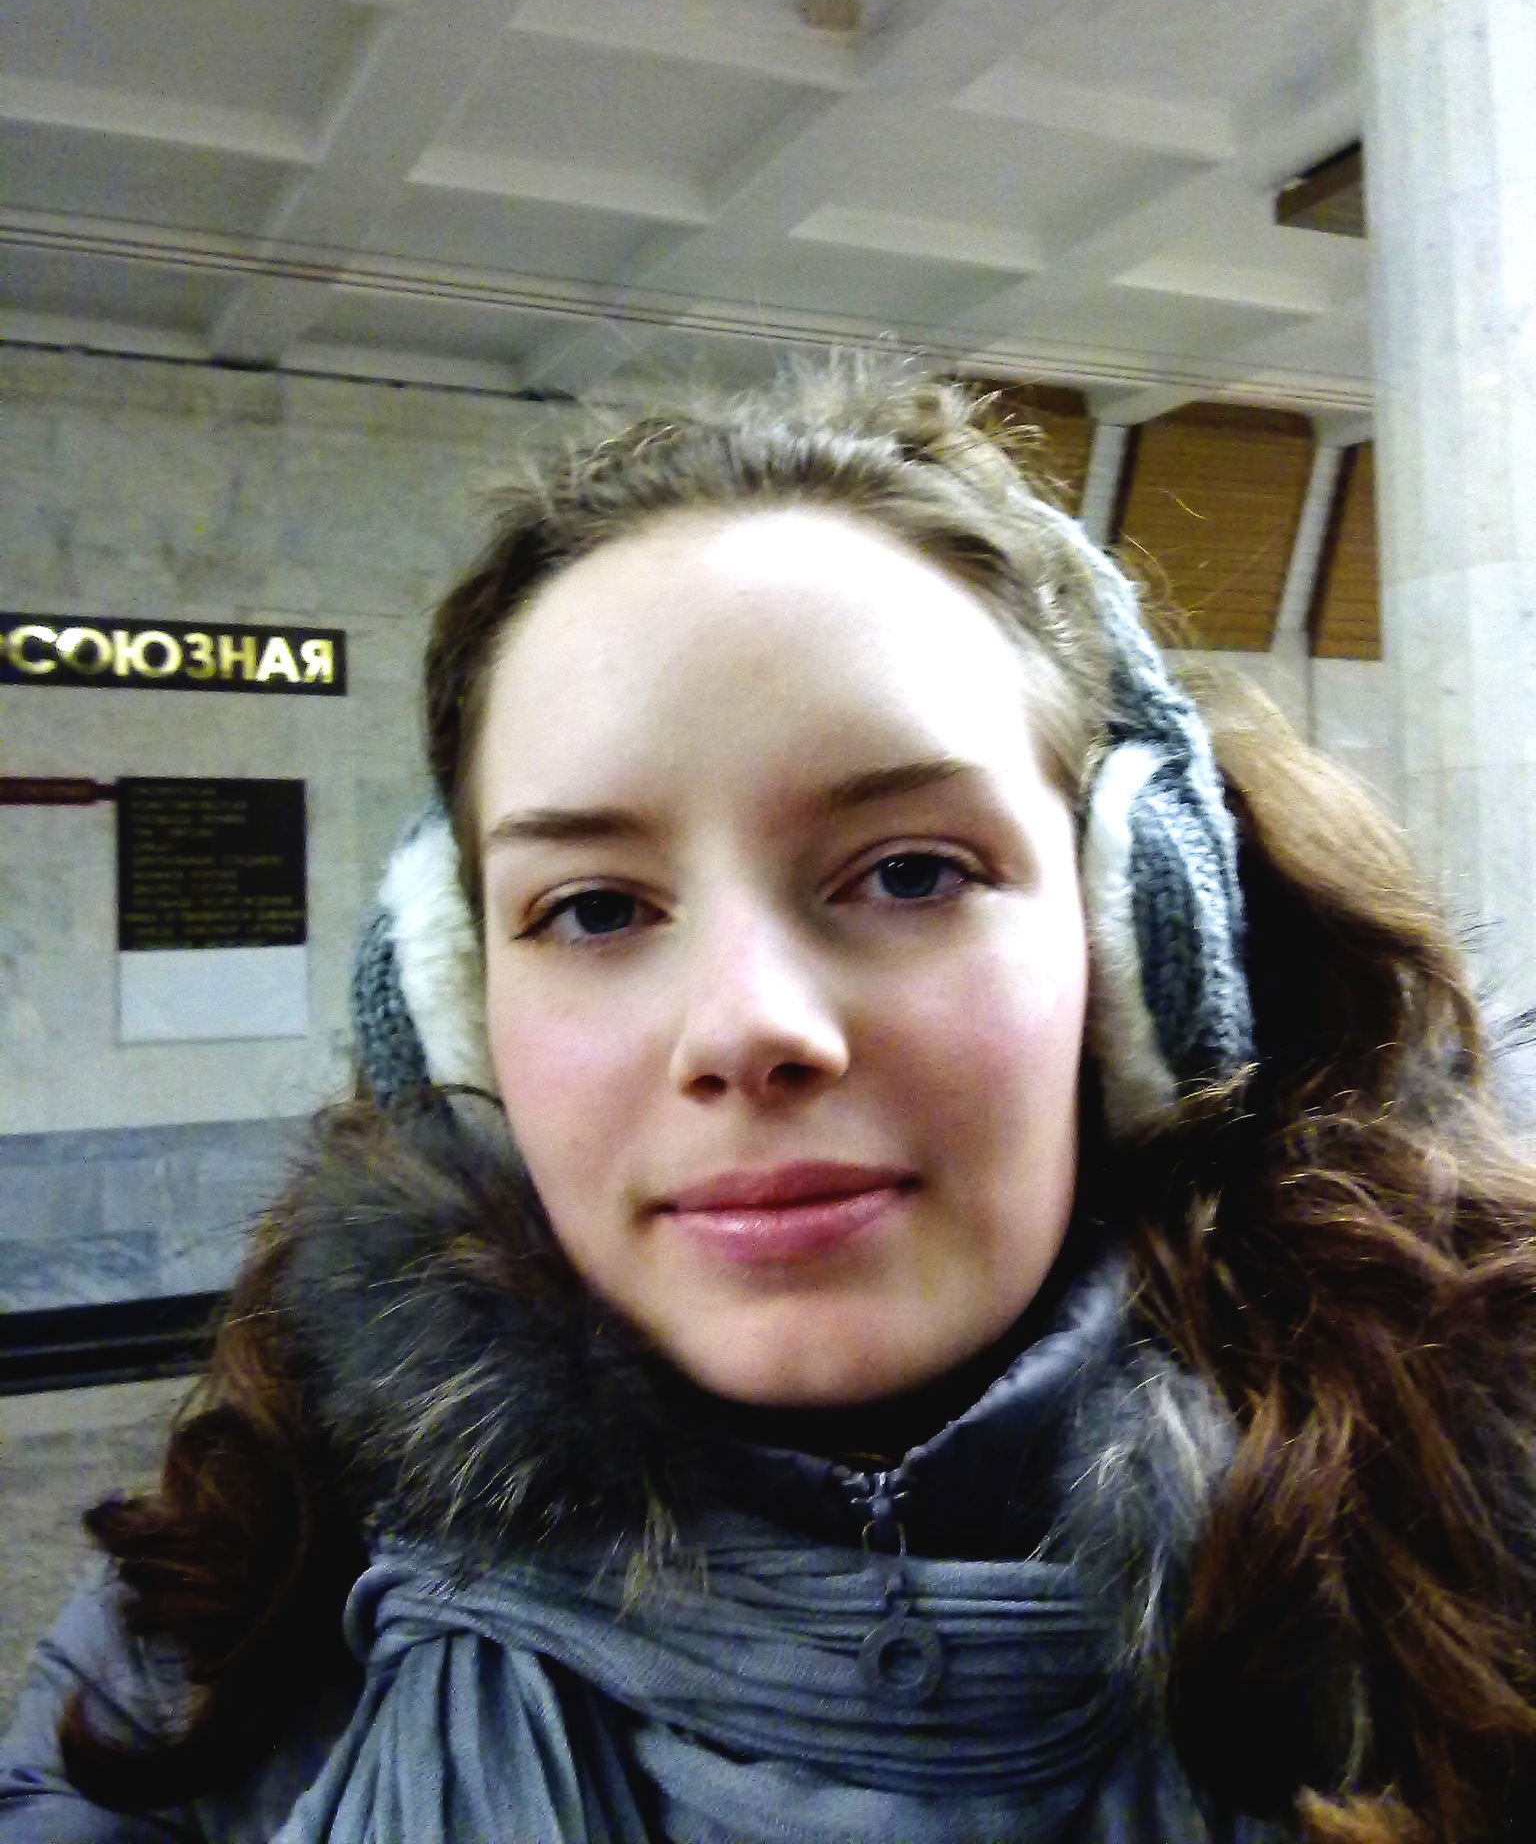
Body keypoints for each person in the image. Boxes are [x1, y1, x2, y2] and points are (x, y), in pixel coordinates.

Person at [3, 364, 1535, 1844]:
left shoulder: (1480, 1557)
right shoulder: (220, 1628)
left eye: (911, 872)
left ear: (1136, 946)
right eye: (595, 909)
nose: (749, 1030)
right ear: (455, 1017)